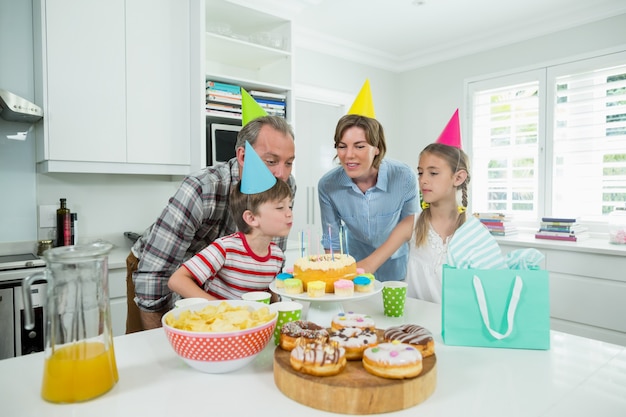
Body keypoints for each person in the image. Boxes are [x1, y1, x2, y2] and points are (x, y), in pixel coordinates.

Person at [126, 103, 296, 332]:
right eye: (271, 161)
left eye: (289, 162)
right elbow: (155, 275)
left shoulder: (284, 187)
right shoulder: (202, 188)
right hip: (159, 265)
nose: (281, 174)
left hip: (216, 280)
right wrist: (160, 341)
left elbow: (270, 259)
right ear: (243, 156)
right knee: (148, 356)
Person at [363, 109, 506, 302]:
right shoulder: (411, 226)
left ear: (458, 177)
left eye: (433, 173)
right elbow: (369, 265)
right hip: (415, 326)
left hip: (458, 325)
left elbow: (496, 289)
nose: (423, 181)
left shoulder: (474, 233)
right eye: (421, 173)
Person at [317, 80, 418, 282]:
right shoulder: (328, 185)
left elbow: (409, 224)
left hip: (395, 262)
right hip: (353, 264)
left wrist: (372, 263)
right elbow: (331, 237)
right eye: (342, 146)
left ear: (377, 148)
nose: (349, 155)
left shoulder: (403, 176)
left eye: (360, 146)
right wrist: (334, 271)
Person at [168, 142, 293, 300]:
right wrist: (221, 308)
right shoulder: (225, 248)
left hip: (250, 324)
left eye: (289, 206)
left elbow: (271, 297)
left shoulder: (276, 256)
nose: (289, 214)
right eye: (280, 208)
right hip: (217, 323)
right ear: (251, 218)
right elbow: (177, 280)